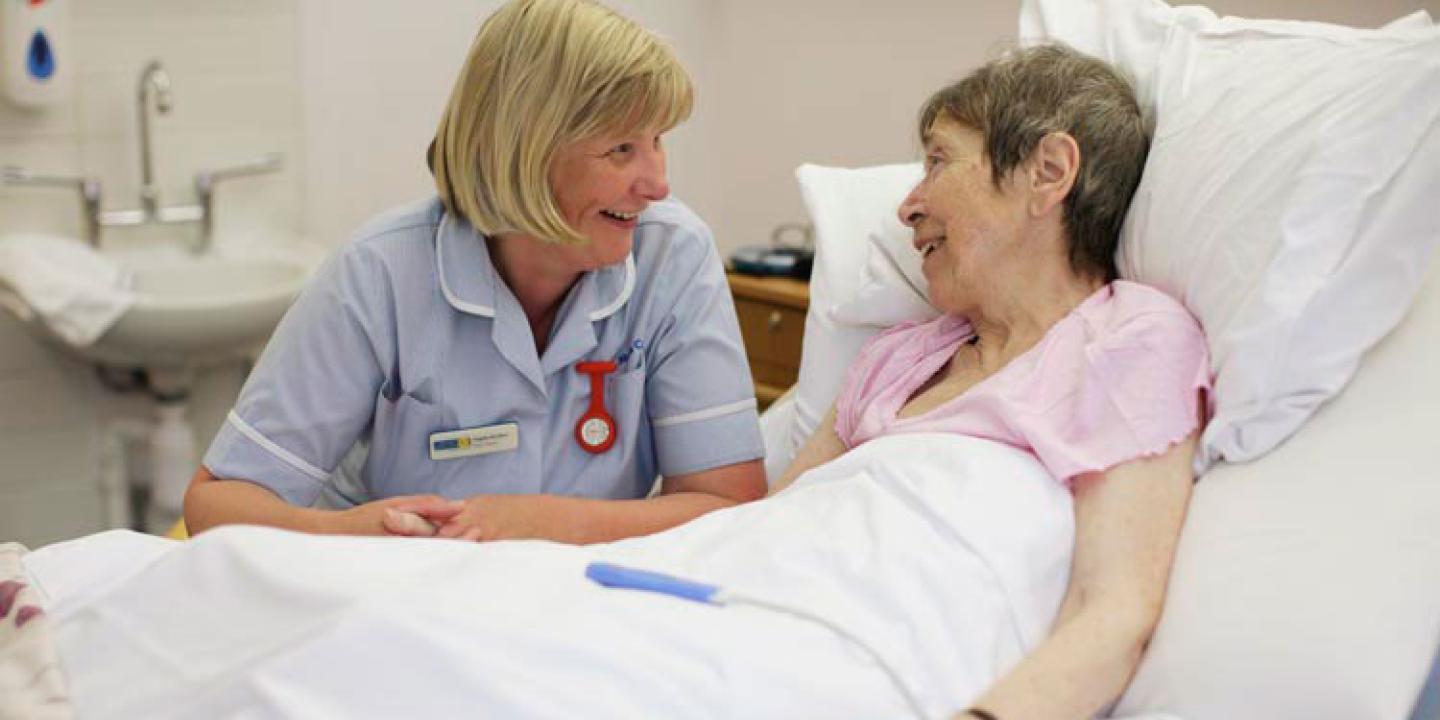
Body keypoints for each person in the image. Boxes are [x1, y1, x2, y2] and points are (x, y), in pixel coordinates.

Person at [184, 0, 767, 542]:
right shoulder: (382, 271)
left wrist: (537, 524)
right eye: (621, 150)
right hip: (395, 597)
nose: (658, 185)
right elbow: (218, 503)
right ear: (525, 148)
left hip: (583, 604)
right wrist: (353, 538)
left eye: (658, 140)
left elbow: (727, 504)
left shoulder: (673, 256)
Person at [775, 43, 1211, 719]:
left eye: (938, 160)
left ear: (1048, 171)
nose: (908, 206)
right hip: (760, 610)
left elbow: (1114, 613)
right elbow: (773, 525)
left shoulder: (1127, 342)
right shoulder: (898, 358)